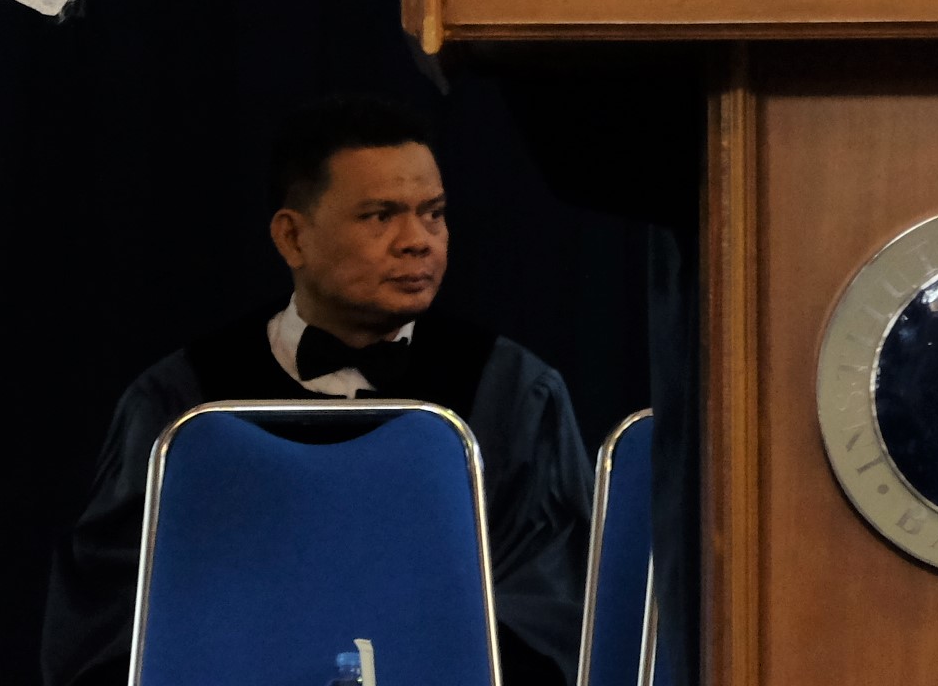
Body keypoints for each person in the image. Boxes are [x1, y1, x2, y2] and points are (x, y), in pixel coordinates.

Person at [40, 95, 592, 686]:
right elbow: (114, 625)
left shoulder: (511, 395)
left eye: (433, 213)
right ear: (293, 238)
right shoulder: (182, 402)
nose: (418, 240)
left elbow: (553, 617)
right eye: (380, 216)